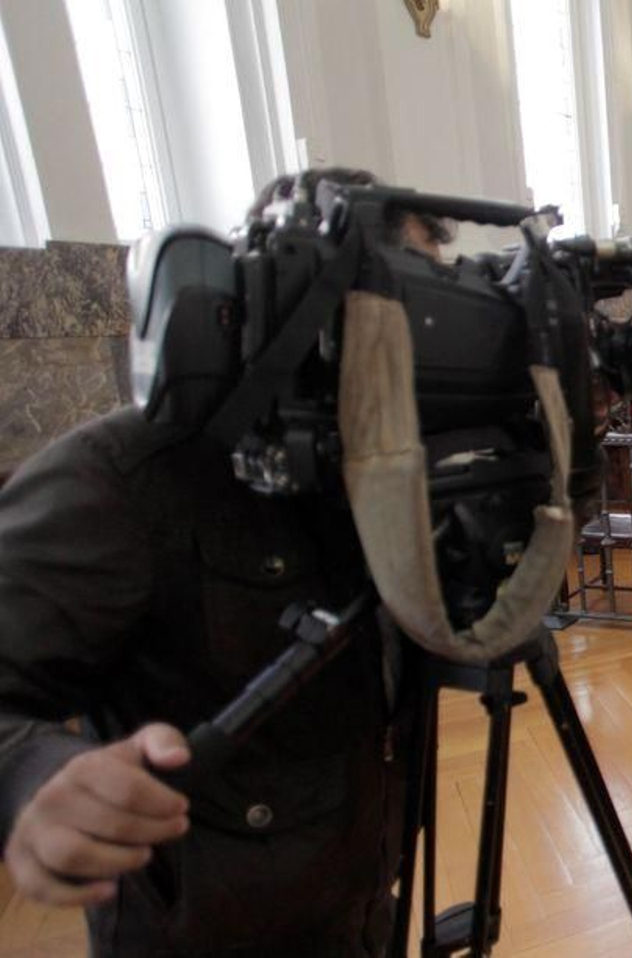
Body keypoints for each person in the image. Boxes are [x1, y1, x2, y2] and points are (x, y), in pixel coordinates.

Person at [0, 169, 440, 954]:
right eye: (386, 312)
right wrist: (32, 778)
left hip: (363, 911)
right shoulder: (125, 478)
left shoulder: (381, 467)